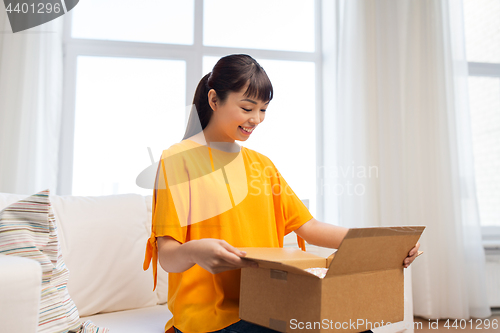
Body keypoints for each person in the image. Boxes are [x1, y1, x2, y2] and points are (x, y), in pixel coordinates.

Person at [143, 54, 420, 333]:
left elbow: (309, 226)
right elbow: (168, 255)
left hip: (268, 303)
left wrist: (380, 245)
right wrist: (195, 251)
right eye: (247, 107)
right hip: (210, 320)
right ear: (214, 100)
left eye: (263, 110)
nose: (256, 119)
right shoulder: (178, 160)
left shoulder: (262, 165)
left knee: (353, 326)